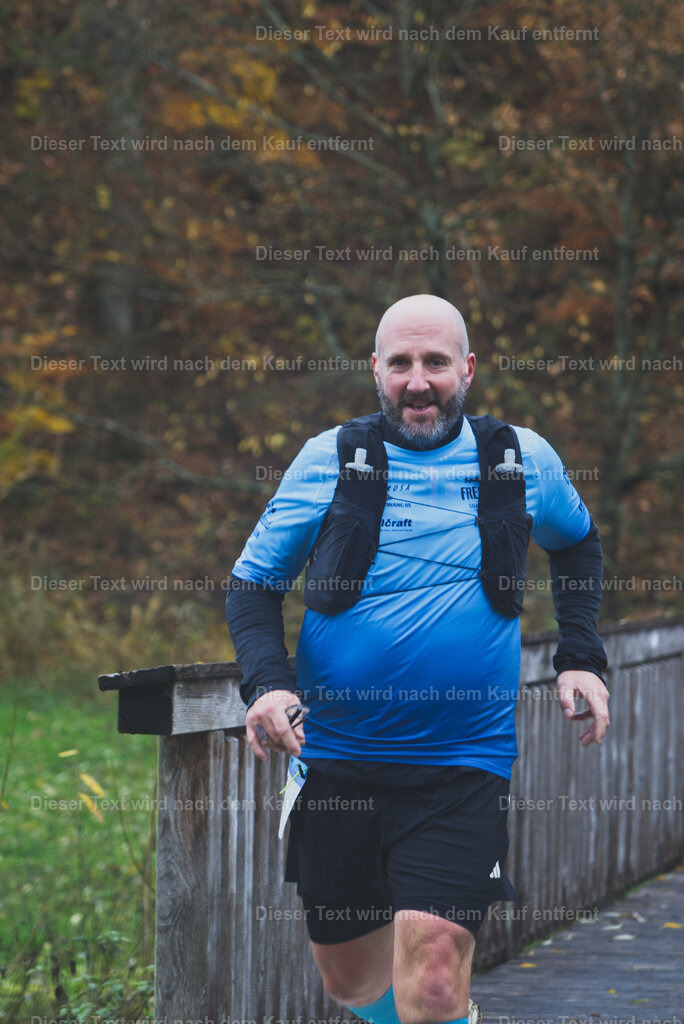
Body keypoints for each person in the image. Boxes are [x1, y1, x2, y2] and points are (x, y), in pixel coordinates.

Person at [225, 294, 610, 1024]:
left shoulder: (521, 460)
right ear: (376, 370)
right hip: (335, 761)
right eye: (401, 363)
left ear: (466, 368)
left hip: (463, 764)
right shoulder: (329, 459)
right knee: (353, 984)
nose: (418, 380)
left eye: (435, 362)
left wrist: (579, 656)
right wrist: (268, 686)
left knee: (430, 980)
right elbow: (252, 588)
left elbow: (577, 544)